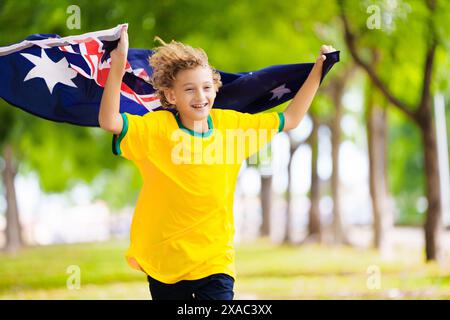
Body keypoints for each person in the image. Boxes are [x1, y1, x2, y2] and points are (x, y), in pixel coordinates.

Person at [99, 25, 336, 300]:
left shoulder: (232, 126)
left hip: (215, 259)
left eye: (206, 88)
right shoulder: (156, 129)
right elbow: (109, 121)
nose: (200, 97)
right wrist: (118, 64)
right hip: (165, 260)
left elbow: (291, 119)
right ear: (172, 95)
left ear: (215, 88)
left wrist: (319, 68)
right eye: (190, 90)